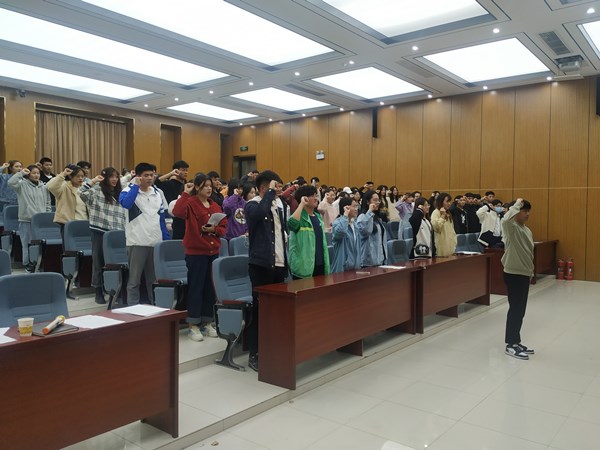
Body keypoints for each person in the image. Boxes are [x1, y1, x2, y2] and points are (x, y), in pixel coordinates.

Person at [172, 173, 226, 342]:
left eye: (210, 186)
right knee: (196, 287)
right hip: (196, 252)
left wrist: (214, 230)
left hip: (213, 251)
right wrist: (185, 193)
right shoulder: (190, 202)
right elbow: (177, 212)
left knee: (210, 287)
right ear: (197, 187)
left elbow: (223, 227)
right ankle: (193, 324)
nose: (209, 189)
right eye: (205, 186)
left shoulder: (214, 205)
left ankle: (207, 321)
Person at [245, 170, 288, 372]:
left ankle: (272, 348)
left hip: (278, 264)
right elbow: (259, 214)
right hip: (261, 265)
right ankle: (254, 353)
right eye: (274, 186)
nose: (278, 190)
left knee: (276, 311)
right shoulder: (252, 205)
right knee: (260, 311)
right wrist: (269, 194)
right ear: (263, 187)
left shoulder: (277, 206)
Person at [119, 162, 170, 305]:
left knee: (153, 280)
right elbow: (126, 204)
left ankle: (155, 306)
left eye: (152, 175)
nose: (150, 178)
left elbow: (161, 218)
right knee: (134, 280)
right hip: (137, 241)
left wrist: (165, 239)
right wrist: (135, 185)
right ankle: (132, 307)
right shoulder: (128, 190)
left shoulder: (157, 193)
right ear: (138, 176)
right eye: (146, 175)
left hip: (155, 241)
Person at [79, 167, 126, 304]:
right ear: (105, 178)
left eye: (116, 177)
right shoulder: (96, 191)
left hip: (117, 232)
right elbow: (81, 192)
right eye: (111, 177)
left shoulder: (121, 192)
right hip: (99, 230)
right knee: (98, 262)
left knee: (115, 263)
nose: (114, 179)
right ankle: (98, 290)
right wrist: (93, 181)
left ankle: (115, 290)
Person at [502, 198, 535, 360]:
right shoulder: (511, 228)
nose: (527, 214)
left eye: (528, 211)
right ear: (516, 211)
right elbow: (505, 220)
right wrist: (516, 205)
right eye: (524, 210)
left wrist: (530, 271)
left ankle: (516, 341)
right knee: (515, 309)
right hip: (513, 274)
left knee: (520, 310)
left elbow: (528, 253)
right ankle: (511, 344)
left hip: (524, 274)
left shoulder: (526, 230)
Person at [8, 165, 51, 270]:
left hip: (40, 222)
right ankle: (28, 264)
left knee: (38, 243)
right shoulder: (22, 185)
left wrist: (46, 216)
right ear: (28, 174)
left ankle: (38, 263)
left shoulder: (44, 187)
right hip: (26, 220)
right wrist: (21, 173)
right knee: (27, 243)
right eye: (34, 173)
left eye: (38, 173)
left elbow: (48, 203)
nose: (36, 175)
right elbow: (10, 182)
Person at [288, 185, 330, 278]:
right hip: (303, 268)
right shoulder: (299, 217)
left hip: (320, 265)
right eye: (312, 196)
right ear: (304, 198)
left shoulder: (318, 217)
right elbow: (292, 224)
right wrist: (301, 204)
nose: (316, 198)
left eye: (316, 195)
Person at [47, 165, 88, 236]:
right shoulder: (64, 187)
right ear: (70, 176)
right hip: (69, 224)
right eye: (78, 176)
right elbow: (51, 187)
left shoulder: (85, 188)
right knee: (69, 243)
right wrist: (63, 174)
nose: (80, 178)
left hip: (84, 223)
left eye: (82, 176)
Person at [155, 160, 189, 239]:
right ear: (176, 170)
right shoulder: (169, 183)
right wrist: (170, 174)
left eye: (186, 170)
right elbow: (156, 183)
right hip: (172, 217)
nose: (186, 172)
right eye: (183, 170)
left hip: (183, 217)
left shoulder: (186, 185)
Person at [356, 189, 388, 267]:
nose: (377, 203)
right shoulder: (362, 216)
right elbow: (366, 231)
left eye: (378, 200)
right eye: (375, 200)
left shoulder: (377, 218)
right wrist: (369, 212)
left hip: (379, 260)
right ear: (367, 202)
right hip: (368, 262)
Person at [330, 197, 361, 273]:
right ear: (346, 207)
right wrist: (345, 216)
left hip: (354, 268)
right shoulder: (338, 222)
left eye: (356, 206)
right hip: (342, 268)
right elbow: (341, 232)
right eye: (354, 206)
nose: (356, 209)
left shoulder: (355, 225)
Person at [430, 192, 456, 257]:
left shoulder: (448, 213)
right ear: (441, 202)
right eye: (447, 201)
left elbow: (452, 230)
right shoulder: (435, 212)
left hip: (450, 247)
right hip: (441, 249)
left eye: (450, 201)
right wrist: (442, 216)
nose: (449, 204)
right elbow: (436, 228)